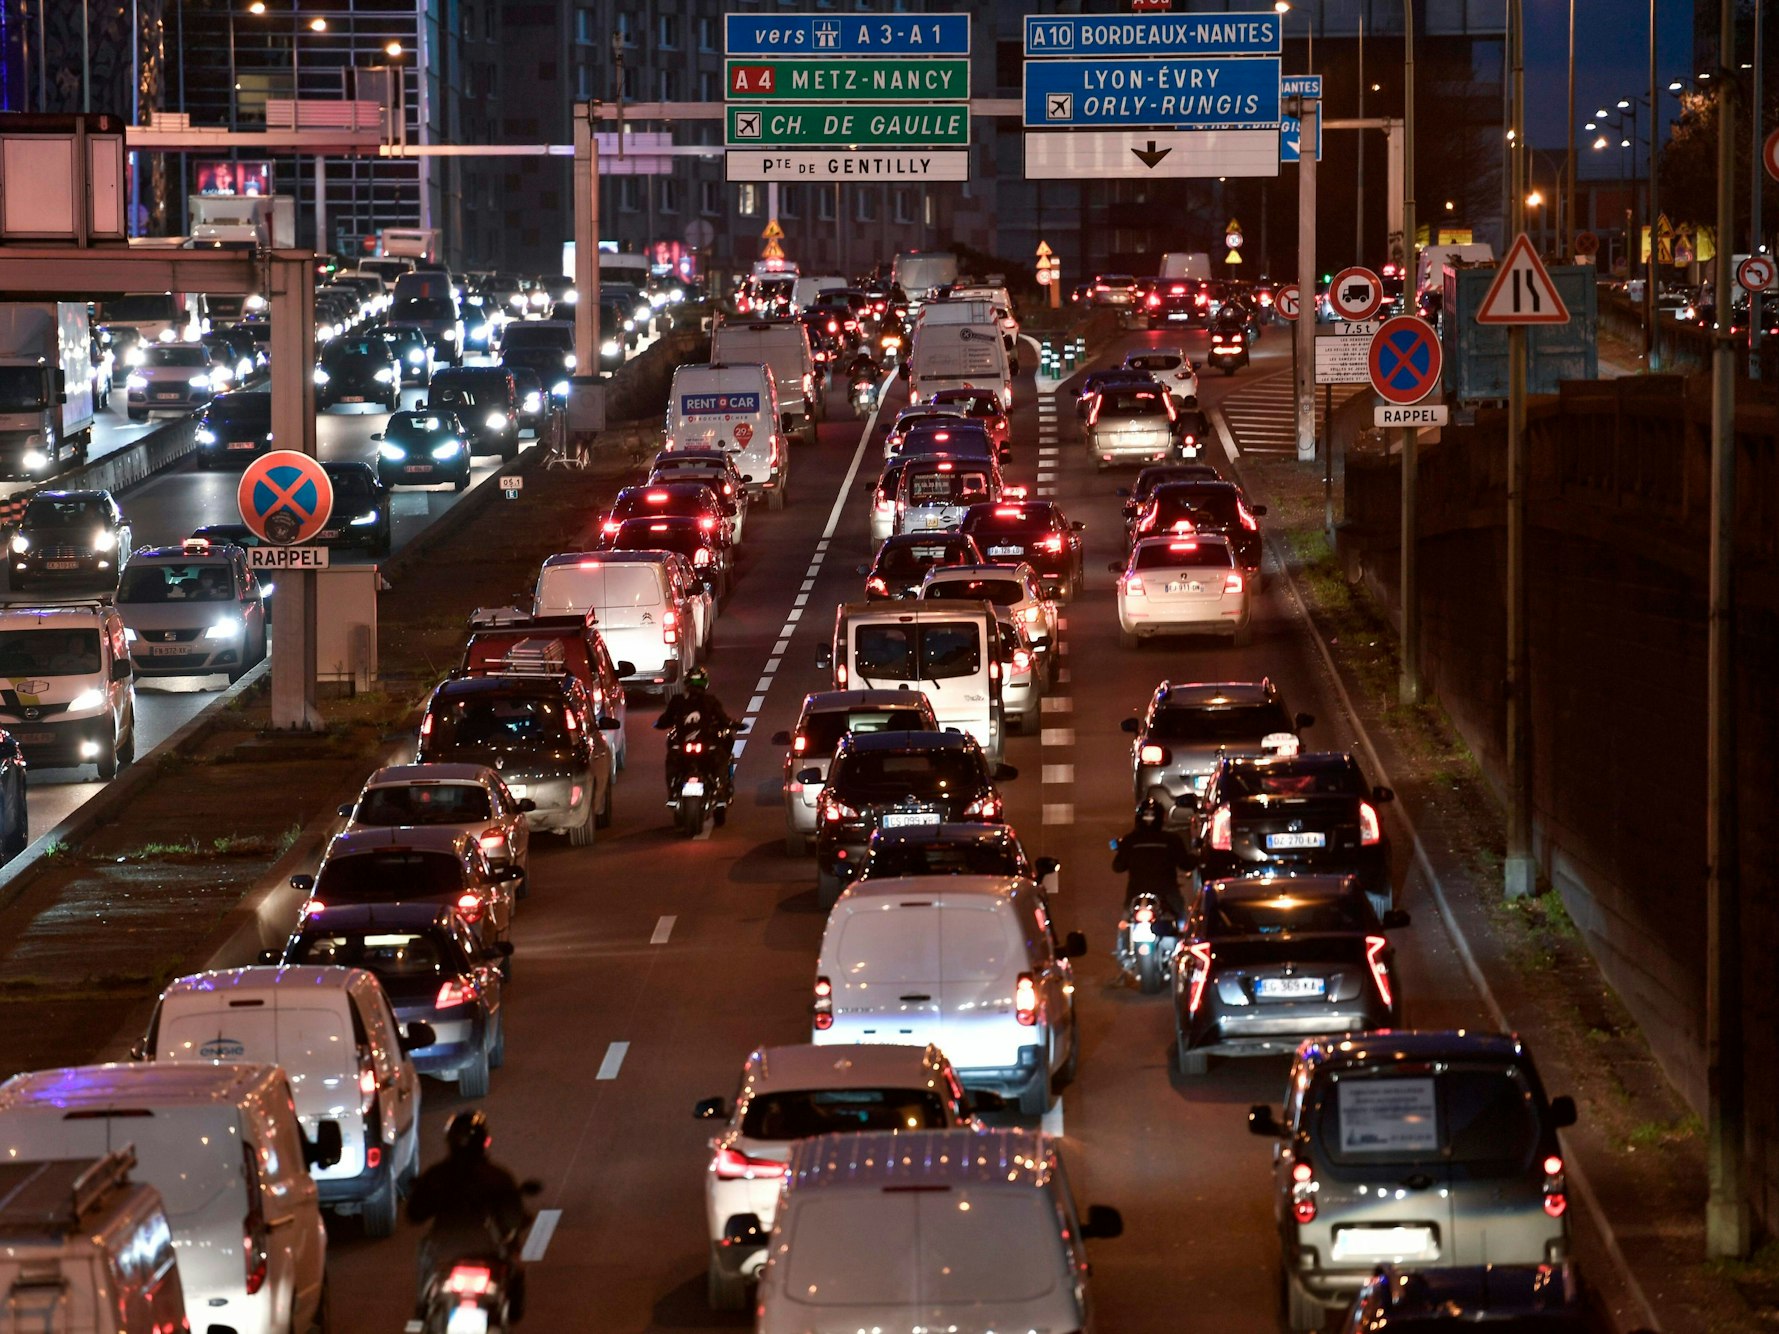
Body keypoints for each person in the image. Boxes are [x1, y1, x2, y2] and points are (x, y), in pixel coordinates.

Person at [407, 1111, 529, 1324]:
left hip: (444, 1252)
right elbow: (514, 1219)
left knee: (424, 1251)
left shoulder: (438, 1175)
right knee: (515, 1262)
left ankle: (421, 1312)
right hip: (488, 1254)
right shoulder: (498, 1177)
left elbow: (415, 1214)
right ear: (485, 1142)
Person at [653, 667, 735, 802]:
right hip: (700, 747)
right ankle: (720, 787)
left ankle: (674, 790)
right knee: (721, 757)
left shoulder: (678, 700)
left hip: (689, 747)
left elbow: (665, 720)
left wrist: (659, 724)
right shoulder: (710, 701)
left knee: (673, 757)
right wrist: (733, 724)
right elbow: (724, 720)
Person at [1111, 796, 1194, 925]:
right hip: (1167, 893)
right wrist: (1197, 859)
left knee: (1125, 924)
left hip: (1135, 894)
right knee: (1182, 922)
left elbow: (1118, 867)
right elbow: (1186, 864)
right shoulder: (1171, 840)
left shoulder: (1130, 840)